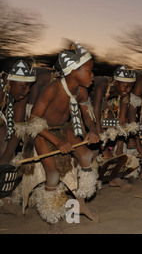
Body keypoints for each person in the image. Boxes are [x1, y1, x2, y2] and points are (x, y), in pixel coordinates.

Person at [22, 43, 100, 233]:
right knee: (53, 174)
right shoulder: (52, 89)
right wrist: (57, 142)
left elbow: (88, 116)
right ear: (74, 71)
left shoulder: (81, 91)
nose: (92, 75)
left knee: (87, 156)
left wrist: (92, 131)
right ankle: (52, 217)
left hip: (64, 129)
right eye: (89, 71)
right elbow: (33, 122)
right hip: (42, 131)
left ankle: (80, 203)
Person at [90, 65, 139, 190]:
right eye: (125, 86)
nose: (128, 90)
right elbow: (95, 118)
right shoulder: (102, 86)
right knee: (96, 146)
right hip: (88, 108)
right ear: (115, 82)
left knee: (113, 120)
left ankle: (114, 178)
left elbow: (121, 123)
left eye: (131, 87)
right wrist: (104, 149)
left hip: (106, 107)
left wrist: (120, 150)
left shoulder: (125, 92)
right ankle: (95, 180)